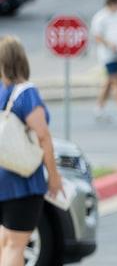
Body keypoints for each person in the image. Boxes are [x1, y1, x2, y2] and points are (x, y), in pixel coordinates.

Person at [0, 37, 62, 266]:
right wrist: (54, 176)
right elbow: (43, 135)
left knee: (5, 240)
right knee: (16, 244)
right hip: (21, 180)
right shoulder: (26, 93)